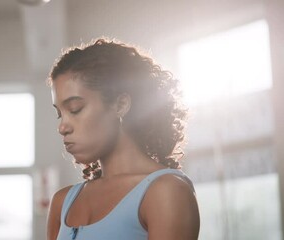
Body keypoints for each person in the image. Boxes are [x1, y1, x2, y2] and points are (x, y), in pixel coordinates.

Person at [46, 38, 200, 240]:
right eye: (60, 114)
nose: (62, 127)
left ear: (120, 105)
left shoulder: (165, 192)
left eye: (75, 109)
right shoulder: (62, 202)